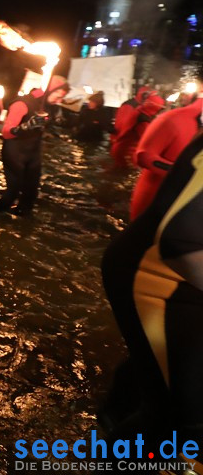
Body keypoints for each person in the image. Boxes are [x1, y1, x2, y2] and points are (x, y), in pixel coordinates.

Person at [101, 129, 203, 445]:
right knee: (181, 417)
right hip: (159, 275)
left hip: (183, 270)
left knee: (163, 378)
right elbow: (181, 238)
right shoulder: (174, 119)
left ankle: (116, 410)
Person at [0, 76, 70, 216]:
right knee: (13, 191)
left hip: (33, 153)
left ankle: (22, 225)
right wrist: (26, 126)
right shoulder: (23, 103)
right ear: (49, 90)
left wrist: (56, 125)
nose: (59, 101)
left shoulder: (50, 106)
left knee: (31, 192)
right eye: (57, 96)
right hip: (15, 152)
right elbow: (6, 132)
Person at [129, 95, 203, 220]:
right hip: (154, 201)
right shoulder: (173, 119)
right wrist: (187, 174)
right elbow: (143, 156)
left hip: (188, 208)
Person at [110, 87, 157, 169]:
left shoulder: (138, 108)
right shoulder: (133, 108)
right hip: (126, 149)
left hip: (124, 147)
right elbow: (122, 126)